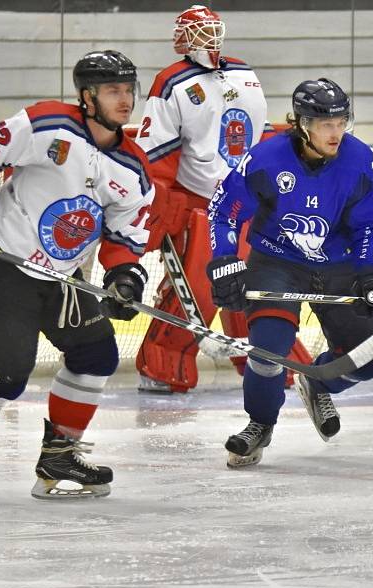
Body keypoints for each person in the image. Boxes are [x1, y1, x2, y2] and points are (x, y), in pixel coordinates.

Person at [0, 50, 155, 498]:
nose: (125, 99)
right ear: (87, 96)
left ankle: (59, 454)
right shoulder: (48, 125)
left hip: (63, 276)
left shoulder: (133, 168)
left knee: (95, 356)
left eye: (129, 90)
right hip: (5, 264)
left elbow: (125, 234)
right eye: (114, 90)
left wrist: (125, 277)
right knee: (5, 376)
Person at [207, 78, 373, 467]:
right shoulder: (266, 158)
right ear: (302, 123)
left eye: (342, 122)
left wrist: (368, 272)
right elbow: (223, 211)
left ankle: (316, 380)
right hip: (278, 261)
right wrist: (225, 259)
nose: (336, 132)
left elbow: (372, 223)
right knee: (267, 350)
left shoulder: (358, 161)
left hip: (339, 263)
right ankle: (259, 424)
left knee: (365, 361)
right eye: (327, 124)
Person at [133, 4, 311, 394]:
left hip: (249, 201)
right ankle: (163, 364)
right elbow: (156, 152)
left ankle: (268, 358)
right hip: (200, 205)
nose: (207, 38)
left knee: (261, 283)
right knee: (197, 290)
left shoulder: (245, 73)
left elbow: (261, 134)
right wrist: (161, 202)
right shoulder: (171, 82)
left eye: (212, 29)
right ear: (181, 38)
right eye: (198, 31)